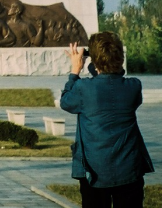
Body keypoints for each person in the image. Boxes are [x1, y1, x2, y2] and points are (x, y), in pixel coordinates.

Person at [61, 33, 154, 207]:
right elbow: (115, 78)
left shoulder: (83, 88)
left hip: (95, 171)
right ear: (120, 57)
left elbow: (66, 102)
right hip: (129, 169)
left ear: (94, 60)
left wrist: (75, 70)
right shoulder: (134, 86)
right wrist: (103, 64)